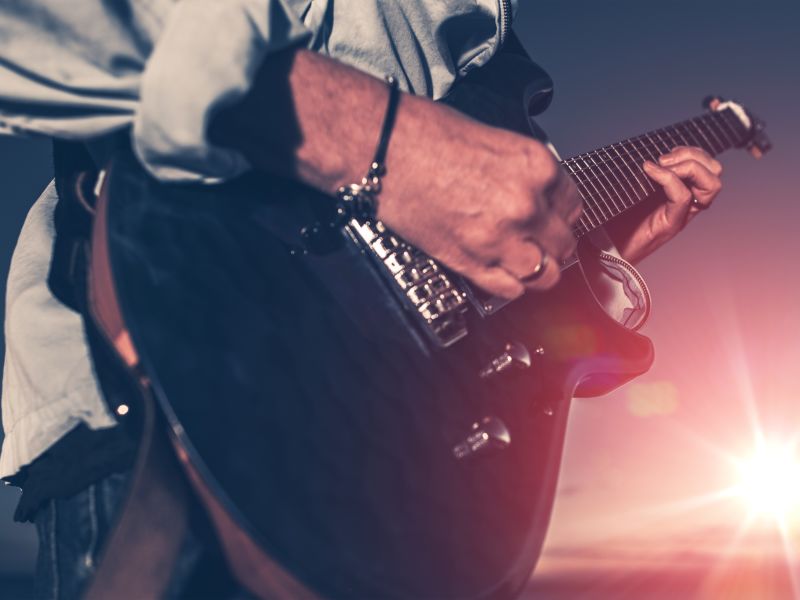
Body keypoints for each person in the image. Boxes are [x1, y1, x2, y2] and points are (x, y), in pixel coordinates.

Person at [0, 1, 723, 597]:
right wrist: (383, 142)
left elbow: (437, 255)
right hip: (186, 384)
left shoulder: (494, 37)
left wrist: (584, 261)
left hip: (412, 470)